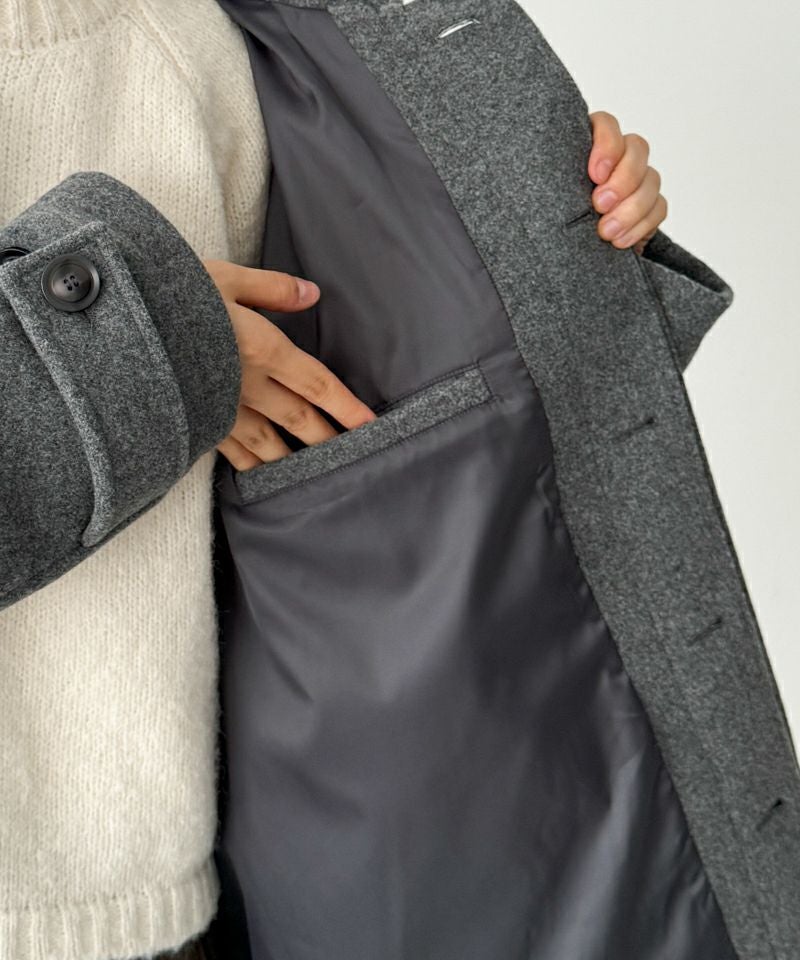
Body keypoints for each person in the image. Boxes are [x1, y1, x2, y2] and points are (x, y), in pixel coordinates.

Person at [0, 2, 698, 959]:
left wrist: (570, 231)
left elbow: (389, 394)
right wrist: (144, 338)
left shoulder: (215, 21)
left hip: (219, 875)